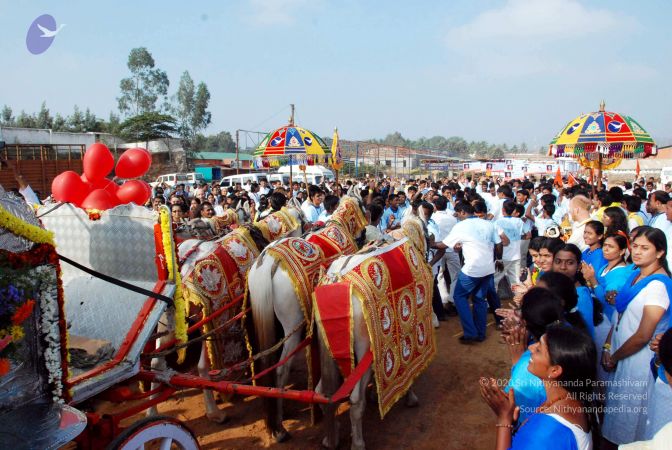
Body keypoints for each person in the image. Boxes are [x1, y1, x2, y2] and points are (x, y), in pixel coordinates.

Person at [601, 227, 672, 447]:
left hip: (638, 360)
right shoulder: (635, 274)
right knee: (618, 408)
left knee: (631, 417)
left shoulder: (658, 286)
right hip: (621, 351)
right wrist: (607, 346)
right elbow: (621, 316)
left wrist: (614, 356)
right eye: (635, 246)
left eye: (645, 248)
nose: (637, 252)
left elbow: (643, 336)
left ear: (660, 253)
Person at [481, 324, 596, 450]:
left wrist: (504, 419)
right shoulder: (569, 399)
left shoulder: (544, 433)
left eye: (538, 349)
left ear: (554, 371)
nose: (530, 347)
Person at [433, 201, 503, 343]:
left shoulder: (461, 225)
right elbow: (499, 242)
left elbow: (443, 245)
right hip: (488, 268)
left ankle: (471, 333)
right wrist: (499, 259)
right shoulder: (488, 223)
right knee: (479, 299)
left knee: (459, 297)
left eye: (458, 214)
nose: (457, 216)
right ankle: (480, 333)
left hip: (472, 269)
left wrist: (429, 243)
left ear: (463, 212)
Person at [502, 287, 568, 423]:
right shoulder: (570, 335)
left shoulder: (528, 365)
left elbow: (512, 411)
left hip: (537, 429)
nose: (532, 347)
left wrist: (517, 361)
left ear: (525, 323)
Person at [551, 243, 599, 338]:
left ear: (578, 266)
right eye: (558, 262)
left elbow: (586, 336)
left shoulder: (580, 295)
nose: (563, 267)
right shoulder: (555, 288)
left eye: (570, 263)